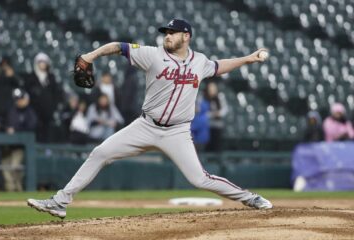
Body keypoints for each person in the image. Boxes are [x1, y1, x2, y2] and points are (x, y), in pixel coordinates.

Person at [27, 19, 272, 219]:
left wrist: (248, 58)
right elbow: (118, 46)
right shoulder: (152, 55)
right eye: (166, 32)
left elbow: (219, 66)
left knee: (199, 178)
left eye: (173, 33)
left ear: (186, 36)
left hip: (177, 132)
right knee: (100, 152)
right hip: (145, 126)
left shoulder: (199, 61)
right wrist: (90, 56)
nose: (167, 36)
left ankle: (250, 198)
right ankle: (60, 202)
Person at [2, 88, 37, 191]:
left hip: (21, 147)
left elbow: (32, 127)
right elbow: (4, 124)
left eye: (21, 99)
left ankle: (18, 189)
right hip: (8, 146)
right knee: (5, 167)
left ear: (26, 99)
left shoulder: (30, 112)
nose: (19, 101)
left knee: (14, 167)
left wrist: (16, 129)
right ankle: (10, 190)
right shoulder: (11, 110)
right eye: (17, 99)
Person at [24, 52, 63, 143]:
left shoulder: (51, 77)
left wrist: (54, 106)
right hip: (34, 110)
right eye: (40, 62)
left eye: (44, 62)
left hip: (48, 110)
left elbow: (56, 93)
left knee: (48, 131)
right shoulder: (31, 77)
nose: (42, 64)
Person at [0, 57, 20, 125]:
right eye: (3, 64)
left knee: (9, 125)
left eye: (6, 64)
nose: (4, 66)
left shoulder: (11, 73)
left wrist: (12, 76)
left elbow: (18, 85)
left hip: (8, 104)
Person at [203, 82, 229, 151]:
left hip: (218, 124)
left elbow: (225, 109)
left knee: (217, 145)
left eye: (213, 88)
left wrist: (218, 113)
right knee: (207, 145)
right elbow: (203, 112)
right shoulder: (204, 97)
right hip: (207, 124)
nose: (212, 90)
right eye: (210, 88)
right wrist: (212, 114)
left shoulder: (220, 96)